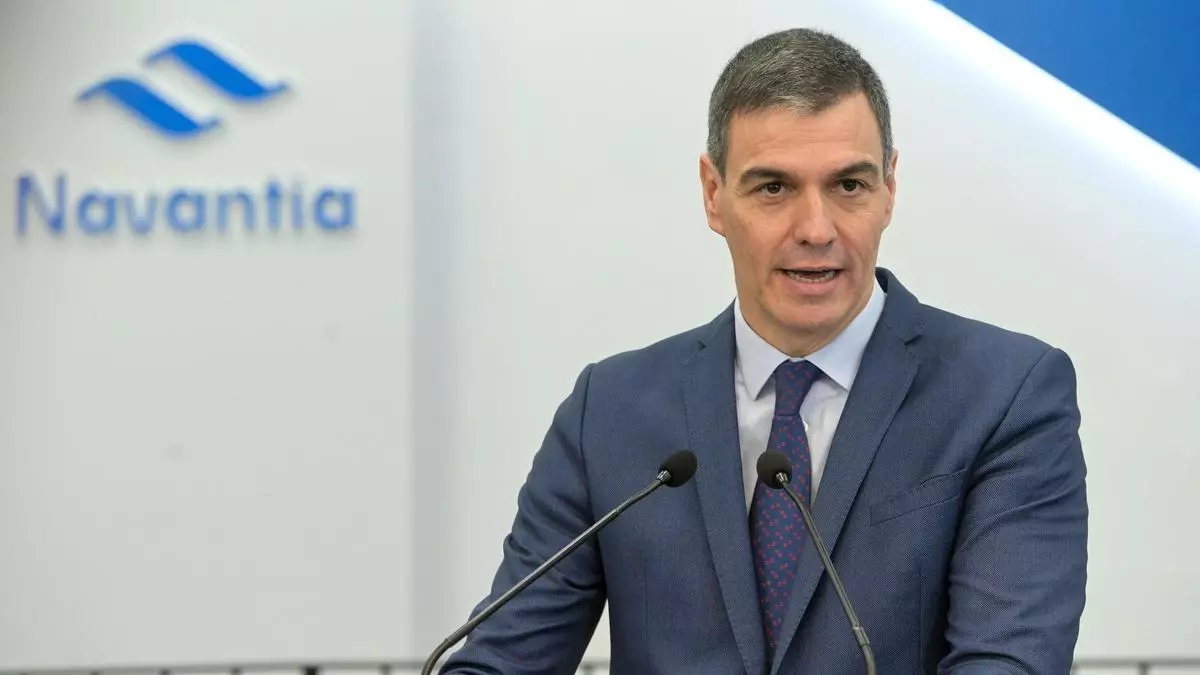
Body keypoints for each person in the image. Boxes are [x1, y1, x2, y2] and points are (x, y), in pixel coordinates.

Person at [440, 27, 1087, 674]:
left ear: (890, 187)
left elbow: (1007, 662)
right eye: (773, 188)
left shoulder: (1005, 396)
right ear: (712, 193)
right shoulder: (607, 414)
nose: (816, 229)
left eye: (849, 185)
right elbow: (500, 661)